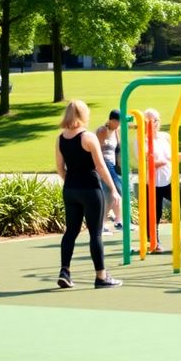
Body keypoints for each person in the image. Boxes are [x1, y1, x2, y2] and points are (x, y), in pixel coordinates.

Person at [55, 100, 122, 289]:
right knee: (95, 233)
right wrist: (114, 189)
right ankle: (101, 276)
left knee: (71, 232)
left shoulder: (60, 138)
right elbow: (101, 167)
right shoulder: (88, 137)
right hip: (90, 189)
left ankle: (65, 271)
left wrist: (71, 181)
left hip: (70, 190)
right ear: (83, 115)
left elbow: (60, 168)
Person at [144, 108, 181, 251]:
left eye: (156, 120)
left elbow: (172, 157)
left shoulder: (165, 137)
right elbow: (144, 160)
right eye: (150, 121)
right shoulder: (142, 140)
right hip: (152, 182)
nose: (154, 124)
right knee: (153, 214)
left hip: (170, 179)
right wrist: (154, 163)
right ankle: (153, 242)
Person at [96, 109, 124, 232]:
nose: (119, 124)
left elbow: (118, 149)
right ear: (111, 120)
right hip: (104, 164)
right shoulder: (103, 130)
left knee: (111, 195)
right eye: (117, 121)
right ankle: (102, 223)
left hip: (113, 165)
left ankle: (117, 221)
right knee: (118, 190)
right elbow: (96, 150)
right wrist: (100, 169)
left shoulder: (116, 131)